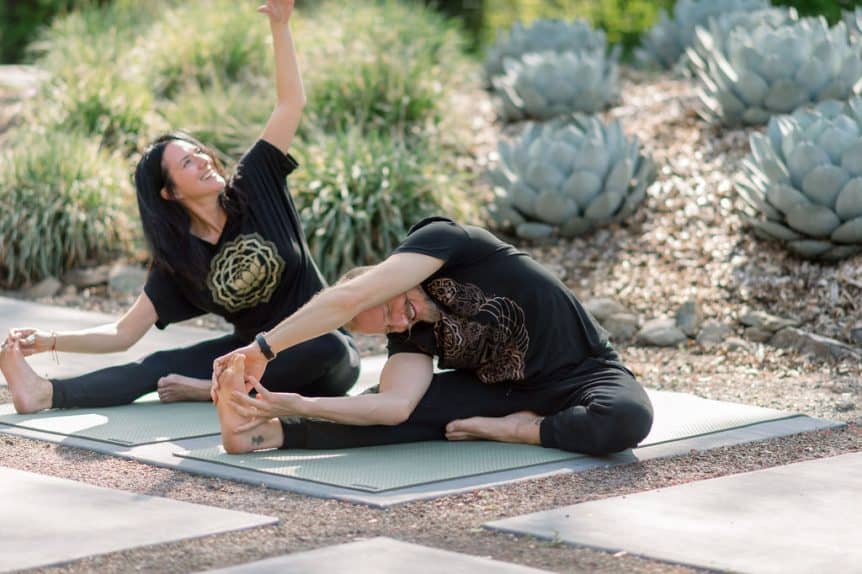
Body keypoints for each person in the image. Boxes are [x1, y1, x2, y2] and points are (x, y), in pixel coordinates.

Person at [0, 0, 359, 414]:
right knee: (157, 365)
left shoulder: (255, 184)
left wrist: (281, 27)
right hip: (246, 358)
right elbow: (122, 334)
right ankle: (46, 393)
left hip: (318, 351)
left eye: (200, 152)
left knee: (327, 347)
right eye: (188, 162)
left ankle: (207, 387)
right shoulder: (179, 257)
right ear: (169, 193)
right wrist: (50, 341)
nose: (205, 159)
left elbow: (289, 104)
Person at [211, 217, 653, 456]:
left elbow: (350, 297)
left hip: (582, 372)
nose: (398, 323)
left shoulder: (446, 243)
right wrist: (295, 403)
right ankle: (261, 434)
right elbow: (393, 407)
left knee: (627, 419)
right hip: (497, 391)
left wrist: (265, 346)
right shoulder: (411, 333)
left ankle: (522, 430)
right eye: (387, 329)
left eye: (386, 307)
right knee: (387, 415)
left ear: (386, 278)